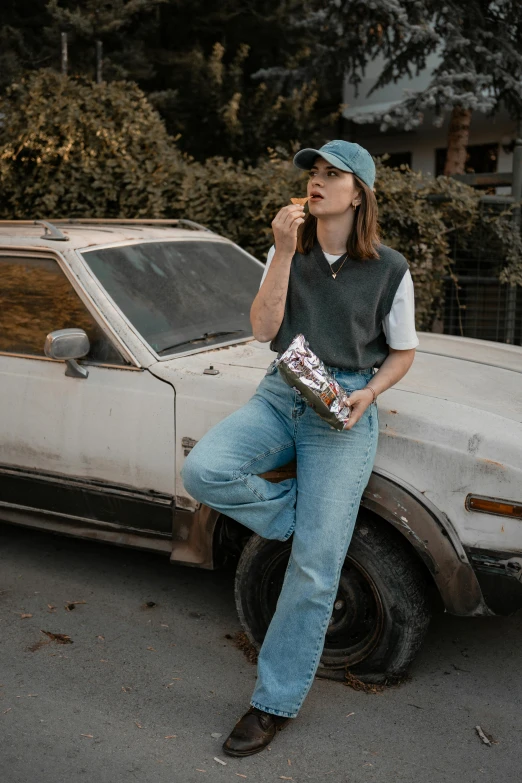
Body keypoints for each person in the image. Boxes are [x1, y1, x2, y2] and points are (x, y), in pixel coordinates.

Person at [181, 140, 419, 757]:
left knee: (314, 571)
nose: (316, 181)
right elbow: (263, 331)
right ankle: (299, 518)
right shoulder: (289, 248)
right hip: (281, 394)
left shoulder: (390, 268)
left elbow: (404, 352)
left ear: (358, 192)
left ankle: (272, 702)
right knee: (205, 470)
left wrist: (370, 391)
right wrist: (284, 253)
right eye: (312, 172)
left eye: (330, 174)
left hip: (341, 411)